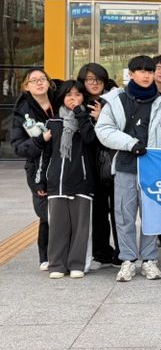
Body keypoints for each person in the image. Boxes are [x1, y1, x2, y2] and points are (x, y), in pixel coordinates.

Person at [95, 55, 161, 282]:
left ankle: (150, 259)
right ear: (131, 74)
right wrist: (130, 143)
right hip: (125, 166)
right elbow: (103, 129)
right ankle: (128, 259)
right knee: (124, 214)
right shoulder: (116, 100)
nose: (146, 75)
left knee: (151, 215)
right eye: (141, 71)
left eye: (150, 71)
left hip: (152, 168)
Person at [37, 80, 97, 279]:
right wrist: (41, 180)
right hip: (57, 182)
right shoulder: (53, 123)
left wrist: (80, 113)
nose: (74, 98)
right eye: (69, 95)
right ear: (62, 98)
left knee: (81, 227)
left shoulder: (88, 121)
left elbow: (90, 139)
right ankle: (57, 264)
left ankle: (77, 264)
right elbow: (45, 155)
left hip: (82, 181)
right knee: (57, 227)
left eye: (78, 94)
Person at [10, 68, 56, 271]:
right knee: (46, 215)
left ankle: (64, 253)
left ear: (49, 83)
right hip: (38, 170)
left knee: (62, 212)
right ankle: (45, 257)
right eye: (33, 80)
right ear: (26, 86)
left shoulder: (59, 101)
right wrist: (40, 140)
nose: (39, 83)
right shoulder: (23, 111)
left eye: (42, 79)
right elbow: (18, 147)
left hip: (64, 167)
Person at [76, 63, 121, 270]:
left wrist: (103, 118)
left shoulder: (114, 101)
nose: (94, 83)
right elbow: (88, 138)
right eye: (89, 80)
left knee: (119, 211)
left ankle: (123, 252)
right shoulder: (79, 103)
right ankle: (101, 252)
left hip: (113, 163)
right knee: (98, 212)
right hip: (90, 165)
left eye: (98, 80)